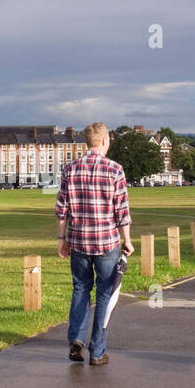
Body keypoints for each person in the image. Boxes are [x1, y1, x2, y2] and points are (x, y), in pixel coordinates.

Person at [55, 122, 134, 365]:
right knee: (103, 294)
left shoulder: (70, 169)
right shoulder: (115, 169)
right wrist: (128, 241)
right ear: (104, 142)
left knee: (80, 288)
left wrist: (62, 239)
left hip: (79, 240)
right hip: (106, 241)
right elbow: (121, 210)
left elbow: (62, 210)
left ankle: (77, 339)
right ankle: (97, 351)